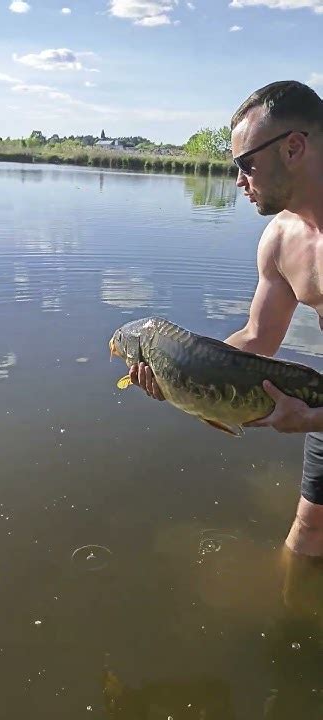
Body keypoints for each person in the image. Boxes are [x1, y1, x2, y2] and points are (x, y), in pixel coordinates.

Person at [129, 80, 323, 557]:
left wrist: (316, 415)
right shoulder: (280, 240)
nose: (238, 180)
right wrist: (179, 375)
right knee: (306, 536)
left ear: (294, 147)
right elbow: (257, 338)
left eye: (245, 164)